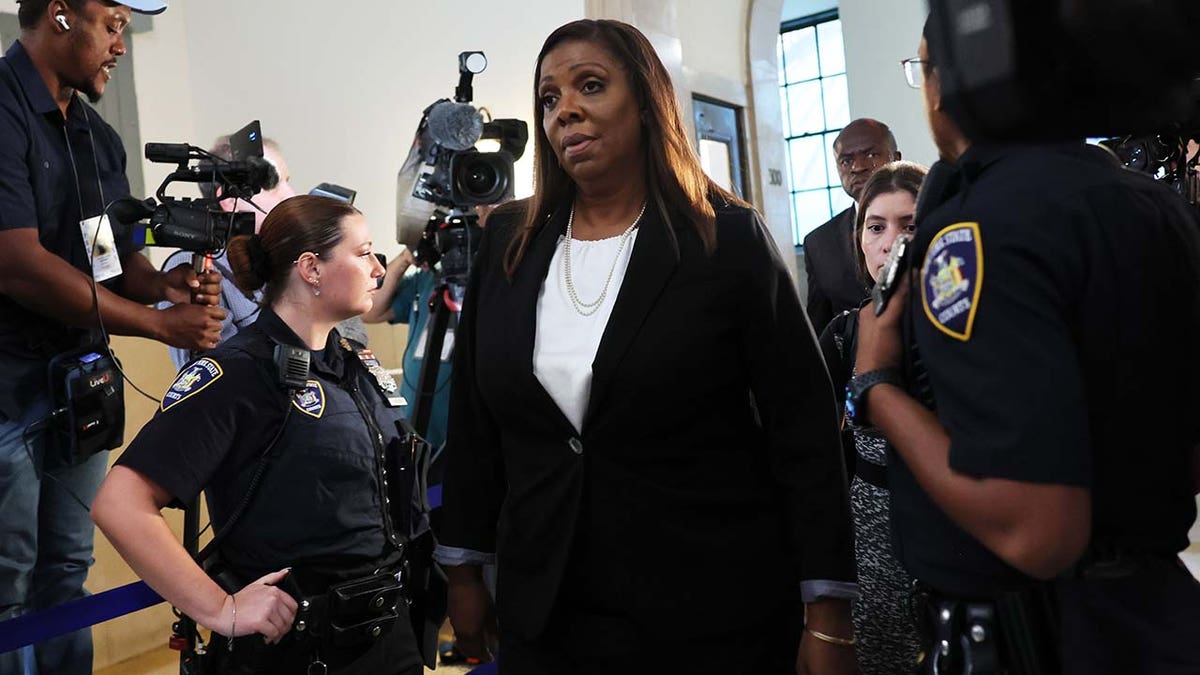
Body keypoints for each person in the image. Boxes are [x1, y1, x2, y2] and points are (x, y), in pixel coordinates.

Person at [437, 19, 857, 675]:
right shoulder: (511, 243)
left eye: (591, 86)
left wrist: (827, 611)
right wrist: (463, 568)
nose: (566, 110)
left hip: (708, 608)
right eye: (549, 99)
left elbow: (802, 431)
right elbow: (473, 419)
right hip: (545, 609)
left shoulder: (727, 241)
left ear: (646, 100)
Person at [849, 17, 1200, 674]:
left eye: (927, 66)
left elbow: (1037, 530)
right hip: (1155, 611)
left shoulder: (979, 228)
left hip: (1040, 633)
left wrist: (875, 384)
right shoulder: (1151, 203)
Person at [91, 195, 434, 674]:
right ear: (311, 268)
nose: (378, 268)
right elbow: (120, 503)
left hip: (386, 634)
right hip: (300, 648)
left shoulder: (354, 366)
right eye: (364, 253)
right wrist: (219, 608)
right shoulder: (239, 373)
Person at [0, 2, 226, 674]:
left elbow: (106, 261)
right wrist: (159, 324)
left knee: (66, 570)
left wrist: (165, 287)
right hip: (5, 391)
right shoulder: (4, 112)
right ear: (61, 15)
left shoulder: (98, 138)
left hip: (75, 389)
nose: (119, 45)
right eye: (111, 24)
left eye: (126, 27)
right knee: (6, 584)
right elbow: (17, 264)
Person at [819, 161, 926, 675]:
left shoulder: (969, 325)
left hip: (953, 520)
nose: (890, 242)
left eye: (909, 225)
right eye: (875, 226)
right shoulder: (842, 333)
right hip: (869, 530)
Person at [160, 135, 369, 370]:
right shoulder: (196, 264)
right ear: (229, 199)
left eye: (288, 181)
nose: (290, 194)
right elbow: (225, 371)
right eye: (273, 184)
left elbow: (353, 347)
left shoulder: (294, 254)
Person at [803, 118, 901, 332]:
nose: (858, 167)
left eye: (871, 155)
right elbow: (819, 328)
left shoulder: (932, 219)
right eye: (846, 161)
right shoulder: (819, 242)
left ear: (897, 159)